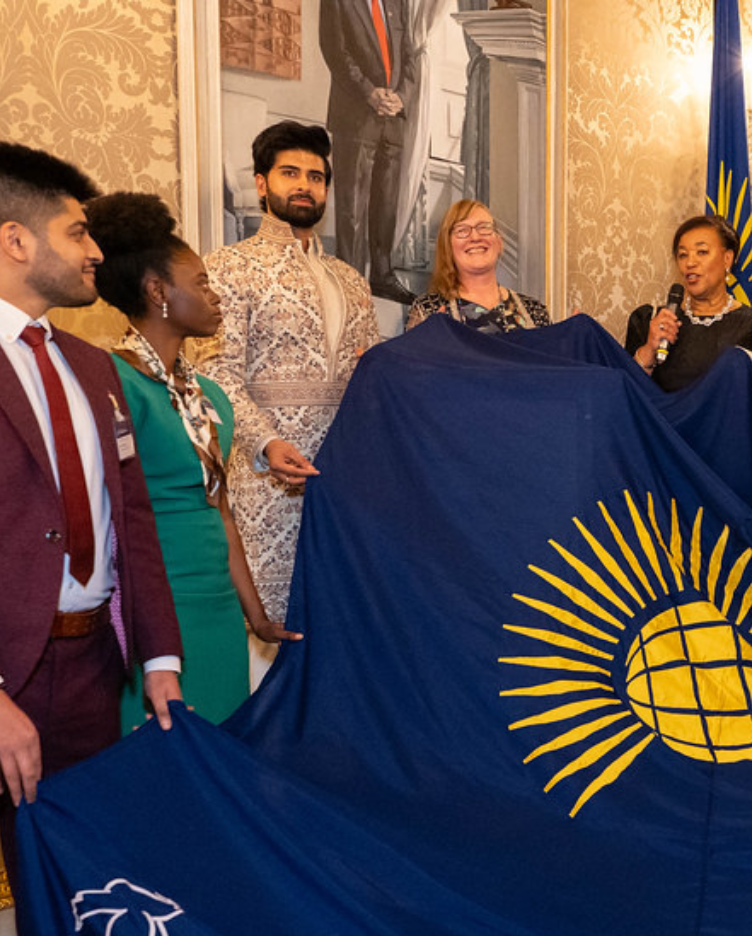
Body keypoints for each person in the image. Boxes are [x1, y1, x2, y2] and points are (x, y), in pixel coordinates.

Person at [0, 142, 183, 936]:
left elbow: (136, 517)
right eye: (78, 231)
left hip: (90, 681)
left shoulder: (94, 368)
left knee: (83, 922)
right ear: (16, 240)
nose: (96, 251)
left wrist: (158, 653)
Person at [85, 192, 301, 734]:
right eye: (201, 282)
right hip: (154, 607)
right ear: (158, 291)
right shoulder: (115, 385)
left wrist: (254, 616)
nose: (214, 294)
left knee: (221, 753)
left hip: (218, 611)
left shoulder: (211, 397)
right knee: (158, 765)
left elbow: (221, 509)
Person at [204, 121, 380, 627]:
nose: (304, 185)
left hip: (342, 480)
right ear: (262, 183)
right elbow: (215, 373)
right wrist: (264, 443)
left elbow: (369, 375)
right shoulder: (228, 268)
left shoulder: (352, 280)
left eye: (316, 176)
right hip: (264, 478)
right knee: (268, 625)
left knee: (336, 618)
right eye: (289, 173)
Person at [624, 214, 752, 430]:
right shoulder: (650, 320)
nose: (690, 263)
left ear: (727, 259)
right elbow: (624, 400)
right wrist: (649, 349)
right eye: (682, 255)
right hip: (664, 444)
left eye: (702, 252)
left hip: (724, 449)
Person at [320, 0, 419, 304]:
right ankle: (350, 281)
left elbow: (409, 54)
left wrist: (402, 96)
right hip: (356, 116)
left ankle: (382, 276)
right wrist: (369, 92)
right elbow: (335, 52)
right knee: (352, 207)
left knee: (386, 205)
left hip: (393, 118)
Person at [406, 199, 551, 333]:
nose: (475, 237)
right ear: (448, 247)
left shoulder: (535, 311)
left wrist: (571, 341)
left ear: (499, 242)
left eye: (484, 228)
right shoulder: (428, 310)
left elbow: (553, 360)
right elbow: (408, 360)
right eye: (462, 230)